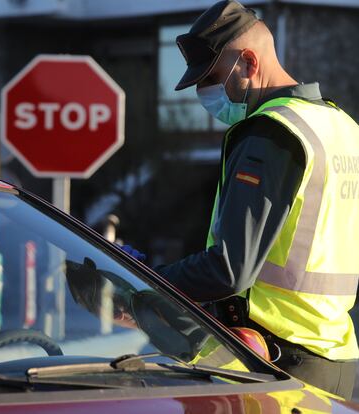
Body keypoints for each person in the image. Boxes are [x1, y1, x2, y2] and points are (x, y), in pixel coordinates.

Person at [128, 0, 359, 399]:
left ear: (249, 63)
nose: (204, 93)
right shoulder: (341, 126)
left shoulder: (271, 133)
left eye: (211, 78)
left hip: (275, 360)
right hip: (335, 356)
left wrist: (143, 285)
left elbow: (229, 270)